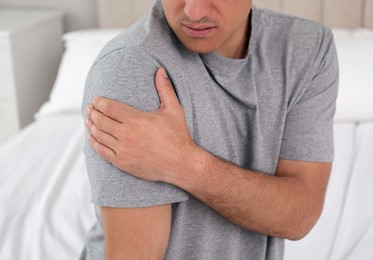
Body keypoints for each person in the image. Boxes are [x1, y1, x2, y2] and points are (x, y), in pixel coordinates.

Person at [81, 0, 338, 259]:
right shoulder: (131, 67)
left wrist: (184, 163)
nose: (194, 12)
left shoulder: (308, 48)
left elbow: (298, 217)